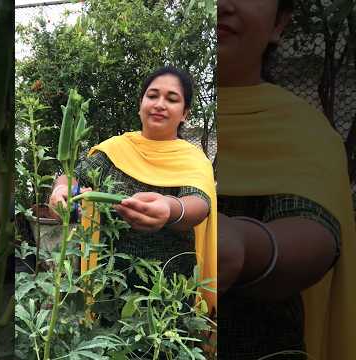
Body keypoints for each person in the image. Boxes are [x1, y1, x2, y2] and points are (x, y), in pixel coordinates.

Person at [216, 0, 356, 359]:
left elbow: (317, 231)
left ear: (279, 23)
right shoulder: (139, 121)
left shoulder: (306, 133)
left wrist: (244, 246)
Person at [49, 66, 217, 311]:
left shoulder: (192, 159)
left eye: (172, 99)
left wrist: (170, 209)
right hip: (105, 285)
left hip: (166, 293)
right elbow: (72, 176)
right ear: (141, 105)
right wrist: (62, 191)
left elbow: (199, 203)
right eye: (152, 95)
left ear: (185, 114)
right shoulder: (115, 150)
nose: (160, 104)